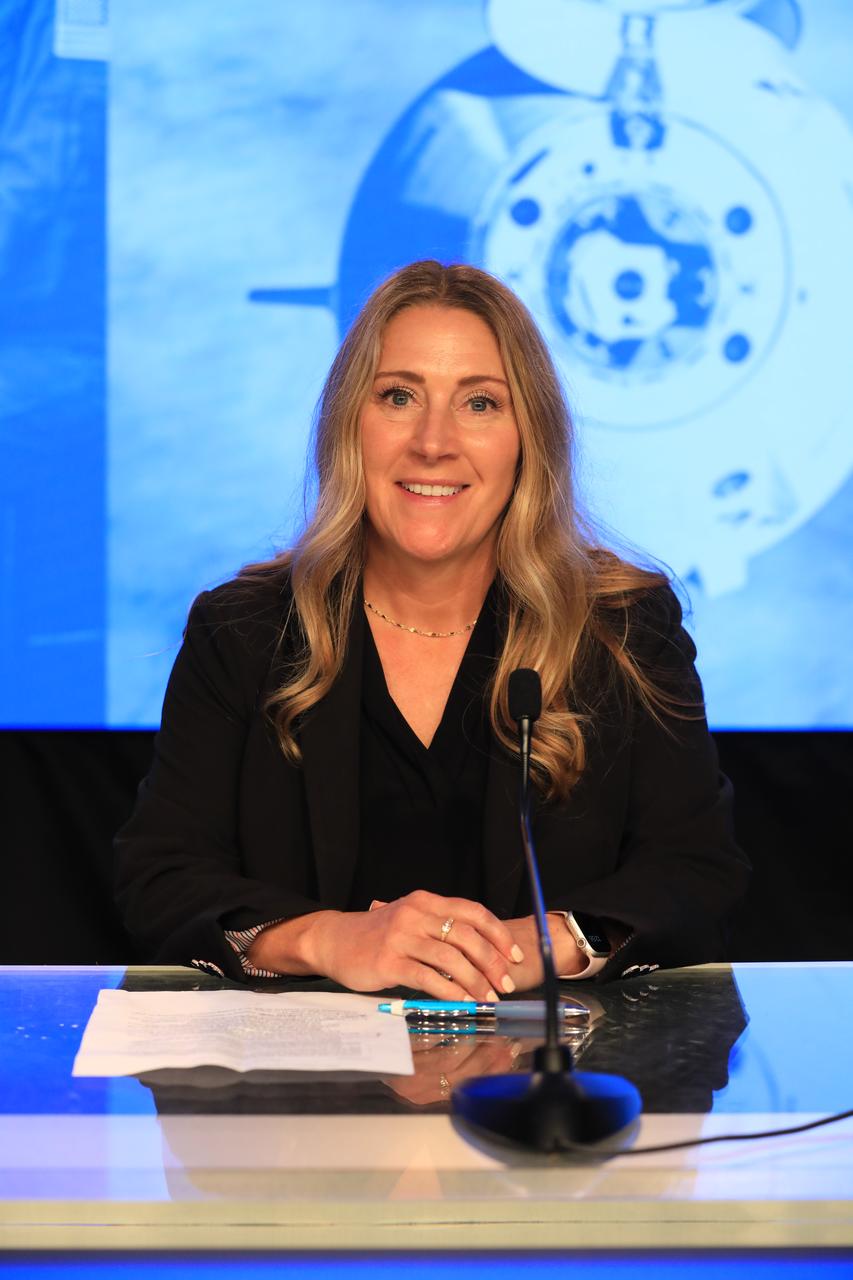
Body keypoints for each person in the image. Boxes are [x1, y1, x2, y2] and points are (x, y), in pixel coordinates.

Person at [114, 259, 749, 997]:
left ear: (528, 439)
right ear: (348, 424)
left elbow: (697, 872)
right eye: (398, 396)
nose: (432, 443)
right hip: (304, 1100)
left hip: (550, 1093)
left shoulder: (624, 628)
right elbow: (158, 878)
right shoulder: (243, 630)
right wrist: (329, 938)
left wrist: (546, 943)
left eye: (480, 403)